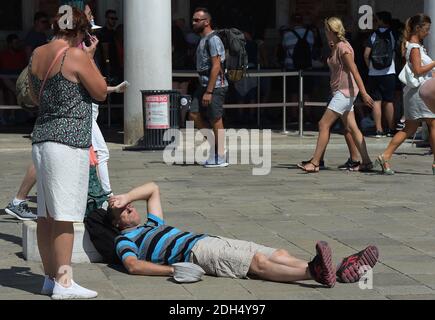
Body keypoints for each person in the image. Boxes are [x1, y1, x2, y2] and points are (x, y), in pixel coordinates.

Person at [107, 182, 379, 287]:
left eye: (129, 205)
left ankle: (340, 270)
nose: (129, 207)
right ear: (117, 224)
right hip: (197, 253)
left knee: (277, 254)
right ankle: (314, 272)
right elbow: (132, 266)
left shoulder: (153, 225)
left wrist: (124, 196)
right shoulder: (126, 239)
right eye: (122, 210)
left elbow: (153, 188)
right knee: (257, 265)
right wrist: (171, 269)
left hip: (210, 240)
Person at [29, 7, 107, 299]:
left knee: (45, 216)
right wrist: (89, 56)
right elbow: (99, 90)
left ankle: (50, 279)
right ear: (81, 30)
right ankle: (64, 282)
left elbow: (36, 96)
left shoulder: (38, 53)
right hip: (68, 142)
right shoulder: (74, 55)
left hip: (42, 138)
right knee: (63, 216)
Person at [298, 17, 375, 173]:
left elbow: (355, 71)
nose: (324, 33)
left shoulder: (343, 48)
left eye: (325, 30)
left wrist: (365, 93)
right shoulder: (338, 46)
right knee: (352, 128)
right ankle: (366, 162)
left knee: (323, 124)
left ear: (329, 31)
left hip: (344, 93)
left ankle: (315, 162)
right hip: (344, 92)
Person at [377, 14, 435, 175]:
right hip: (420, 93)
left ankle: (385, 155)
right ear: (418, 28)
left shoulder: (413, 46)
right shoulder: (414, 48)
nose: (428, 33)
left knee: (409, 128)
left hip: (416, 92)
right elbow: (418, 71)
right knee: (431, 125)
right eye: (426, 29)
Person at [189, 8, 229, 168]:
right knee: (193, 113)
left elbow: (216, 66)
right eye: (193, 20)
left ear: (207, 22)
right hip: (204, 84)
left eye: (197, 20)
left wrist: (210, 91)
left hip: (215, 86)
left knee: (216, 118)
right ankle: (216, 146)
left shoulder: (213, 39)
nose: (193, 23)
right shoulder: (203, 39)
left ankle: (221, 156)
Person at [364, 11, 397, 138]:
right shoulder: (393, 34)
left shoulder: (373, 35)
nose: (375, 22)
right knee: (389, 101)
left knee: (376, 101)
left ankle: (378, 129)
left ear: (382, 21)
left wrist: (370, 67)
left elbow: (366, 55)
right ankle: (391, 129)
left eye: (377, 20)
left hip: (374, 73)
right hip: (389, 72)